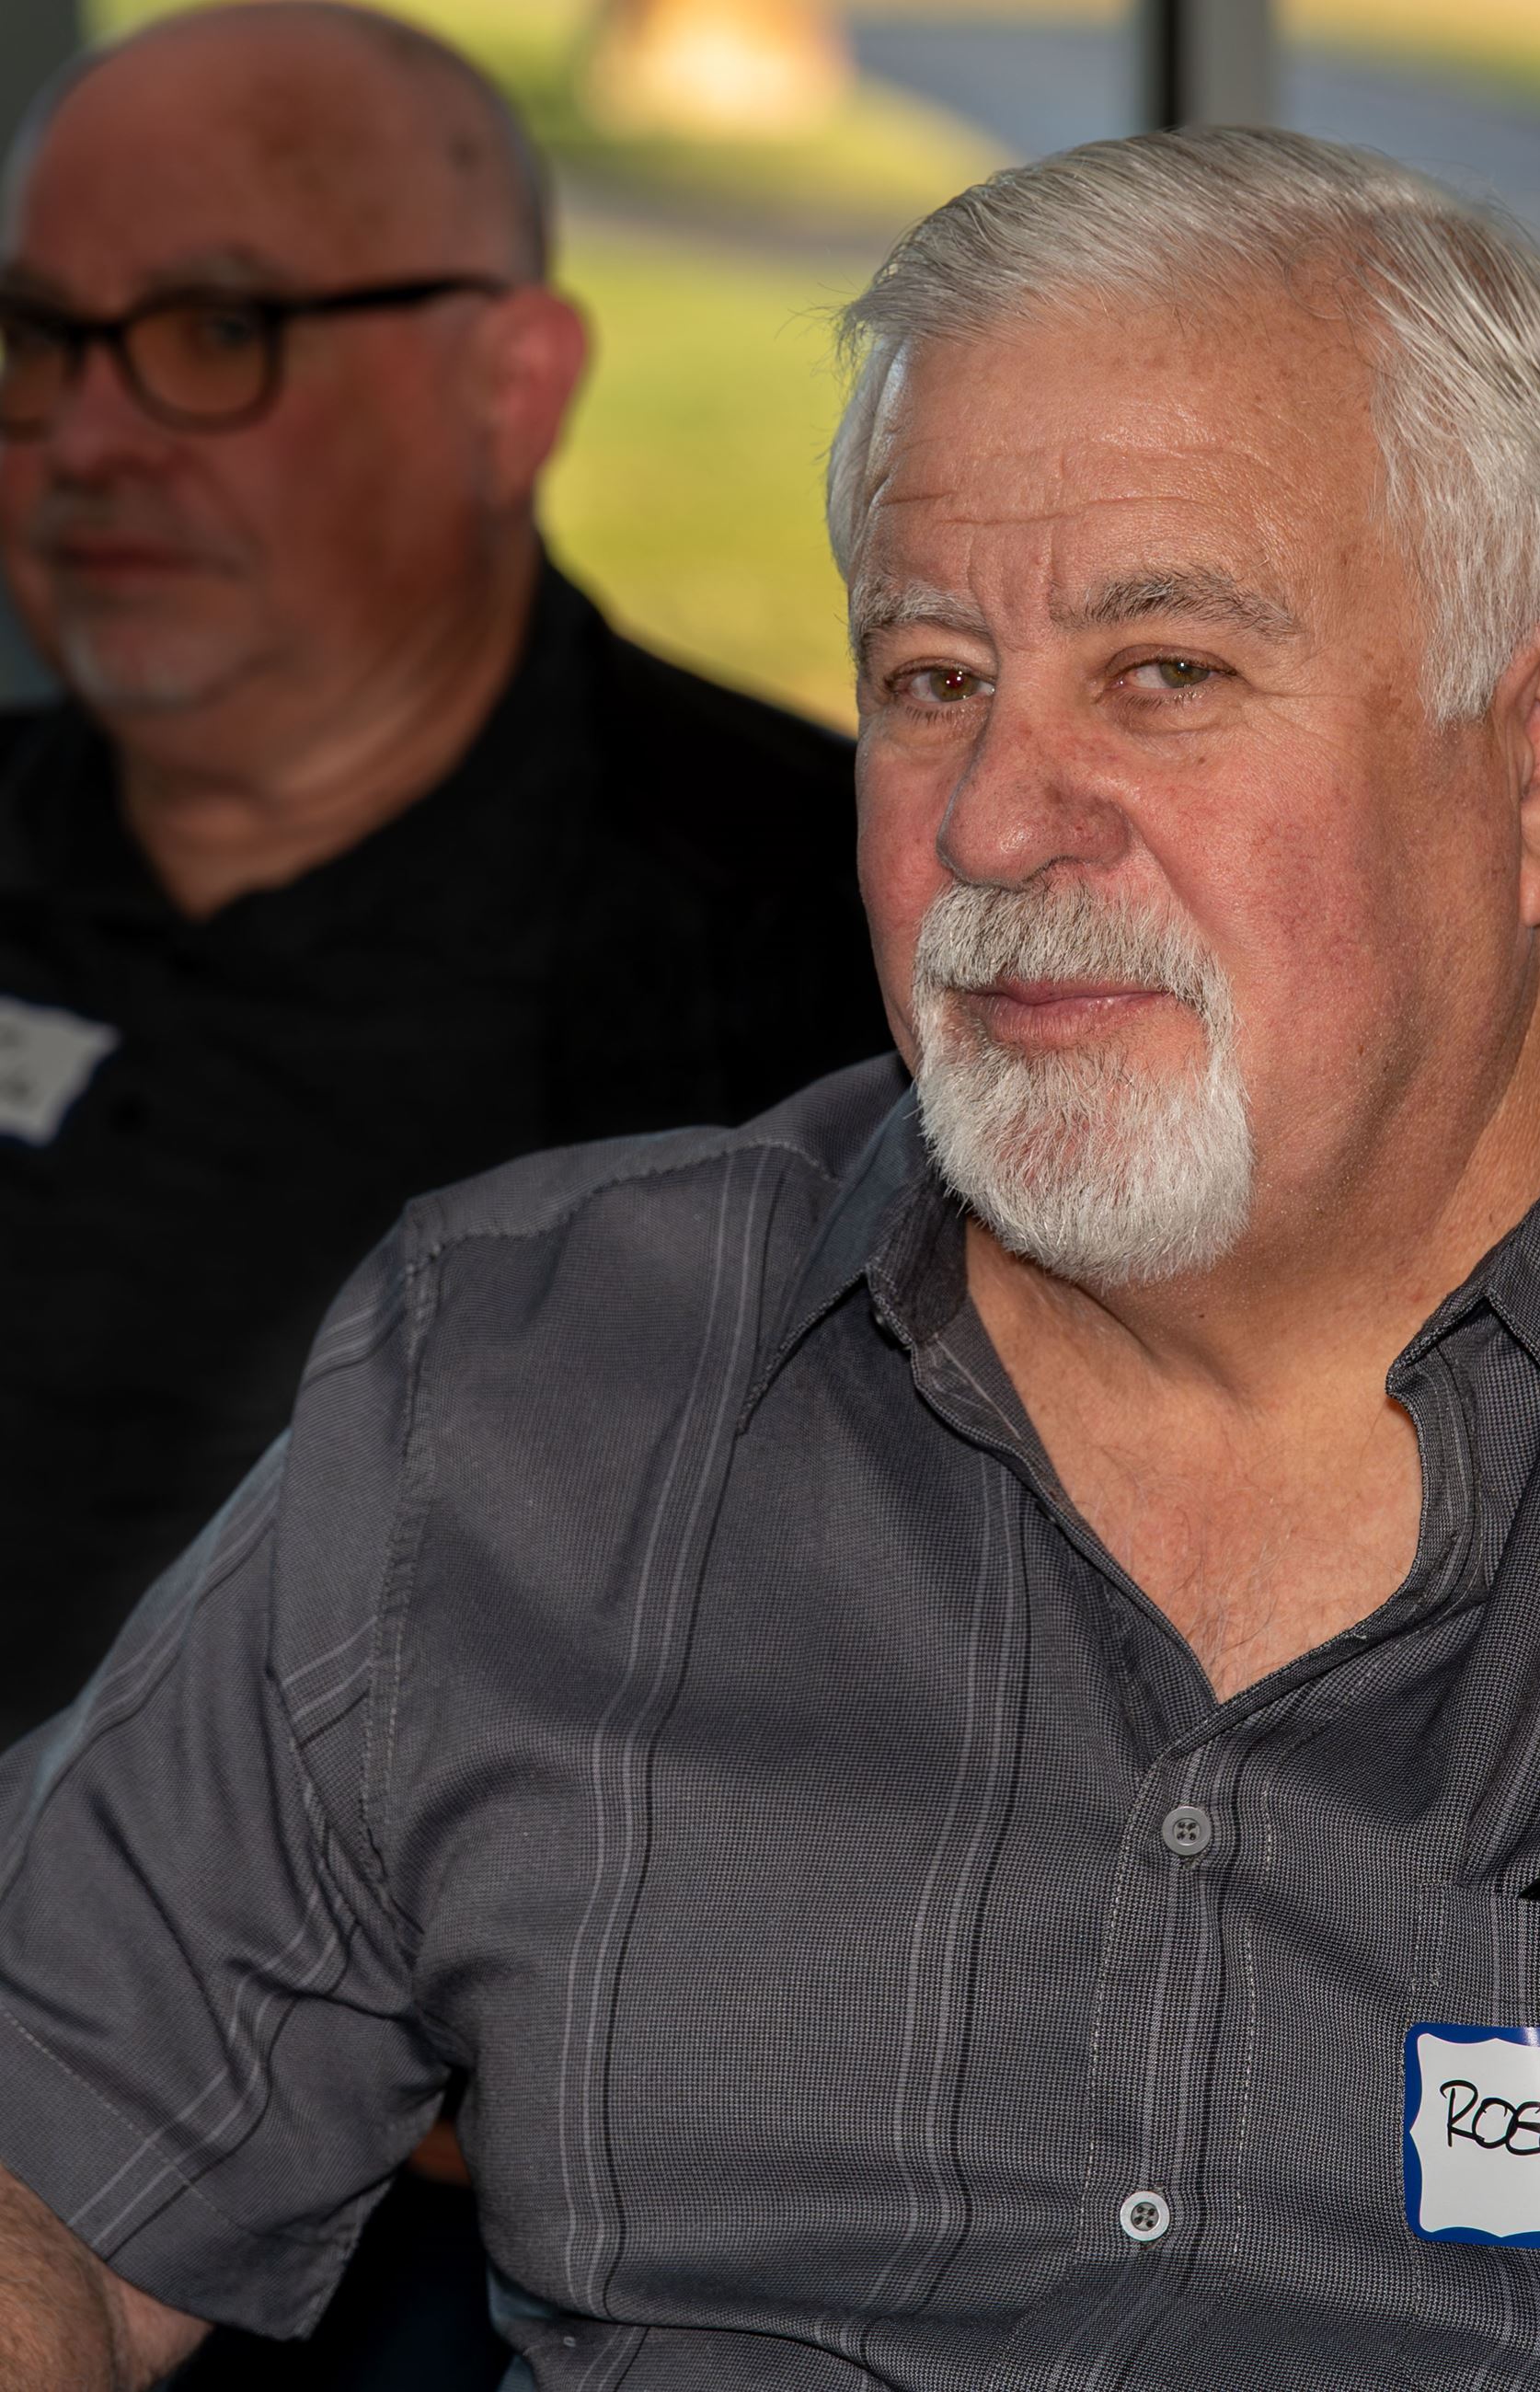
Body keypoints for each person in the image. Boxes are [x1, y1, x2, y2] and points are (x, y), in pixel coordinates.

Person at [0, 122, 1540, 2389]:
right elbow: (52, 2179)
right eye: (930, 678)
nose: (1000, 815)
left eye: (1162, 675)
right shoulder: (531, 1385)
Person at [0, 1, 881, 1745]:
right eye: (33, 338)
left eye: (216, 329)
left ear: (514, 388)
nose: (88, 439)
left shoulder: (843, 975)